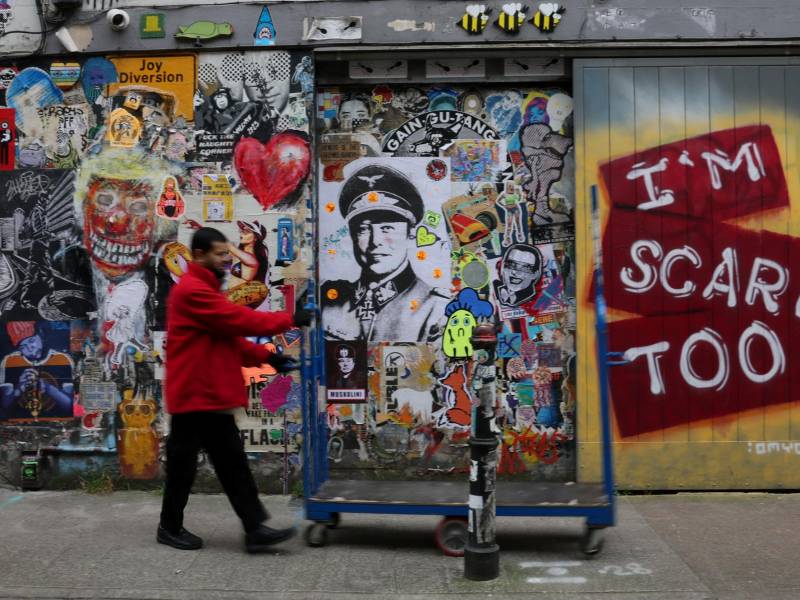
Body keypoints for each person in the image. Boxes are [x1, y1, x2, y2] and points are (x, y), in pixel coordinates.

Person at [157, 227, 312, 553]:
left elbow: (227, 339)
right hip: (194, 395)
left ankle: (253, 529)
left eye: (227, 253)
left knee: (230, 463)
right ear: (199, 255)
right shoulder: (192, 291)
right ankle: (171, 528)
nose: (226, 259)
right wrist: (288, 318)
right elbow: (237, 320)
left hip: (207, 394)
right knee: (187, 467)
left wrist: (268, 358)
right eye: (219, 254)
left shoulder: (205, 289)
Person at [321, 164, 448, 342]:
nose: (375, 241)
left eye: (387, 228)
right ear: (352, 235)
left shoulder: (436, 311)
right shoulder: (329, 302)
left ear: (411, 233)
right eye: (363, 229)